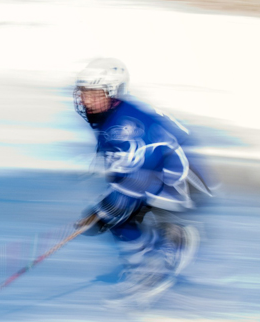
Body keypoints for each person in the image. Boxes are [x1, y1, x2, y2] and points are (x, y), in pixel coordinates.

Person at [72, 58, 213, 299]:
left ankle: (174, 244)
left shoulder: (125, 125)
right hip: (157, 173)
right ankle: (144, 265)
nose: (87, 99)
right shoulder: (110, 115)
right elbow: (125, 175)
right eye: (84, 93)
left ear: (112, 93)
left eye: (94, 93)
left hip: (182, 179)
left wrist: (103, 211)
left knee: (116, 213)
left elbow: (139, 176)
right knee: (116, 216)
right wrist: (106, 209)